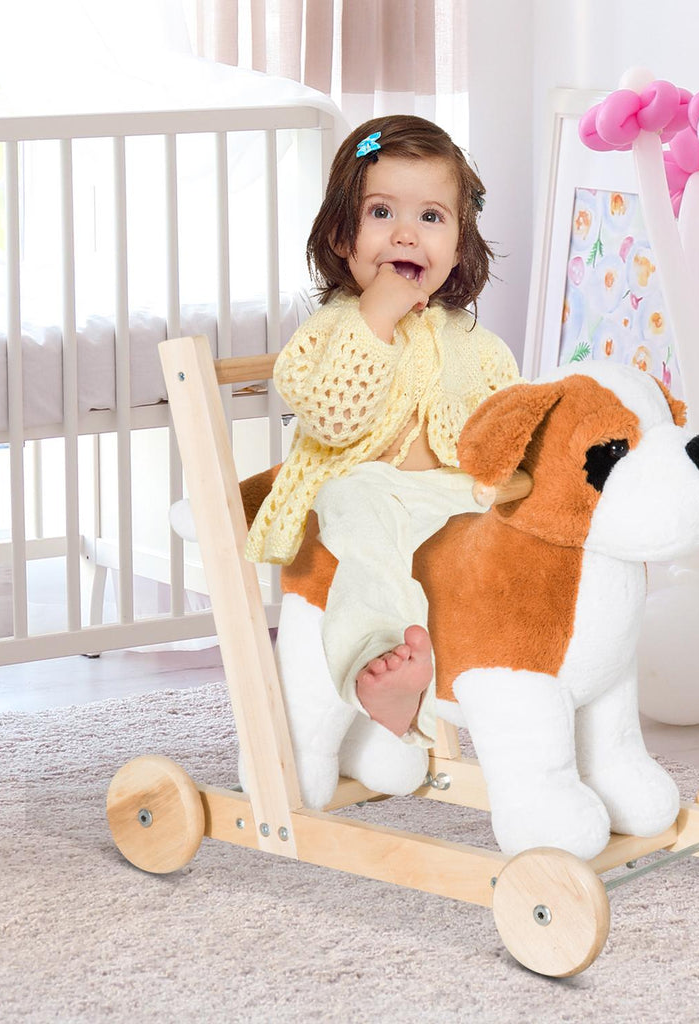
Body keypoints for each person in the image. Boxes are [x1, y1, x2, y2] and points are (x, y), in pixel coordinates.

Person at [245, 114, 521, 748]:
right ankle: (377, 661)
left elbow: (503, 424)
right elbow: (332, 418)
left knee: (519, 522)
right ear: (343, 236)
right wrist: (376, 318)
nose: (405, 232)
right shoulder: (331, 330)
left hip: (450, 497)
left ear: (459, 244)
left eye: (431, 216)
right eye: (380, 212)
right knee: (359, 507)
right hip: (361, 492)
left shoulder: (476, 343)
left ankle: (522, 680)